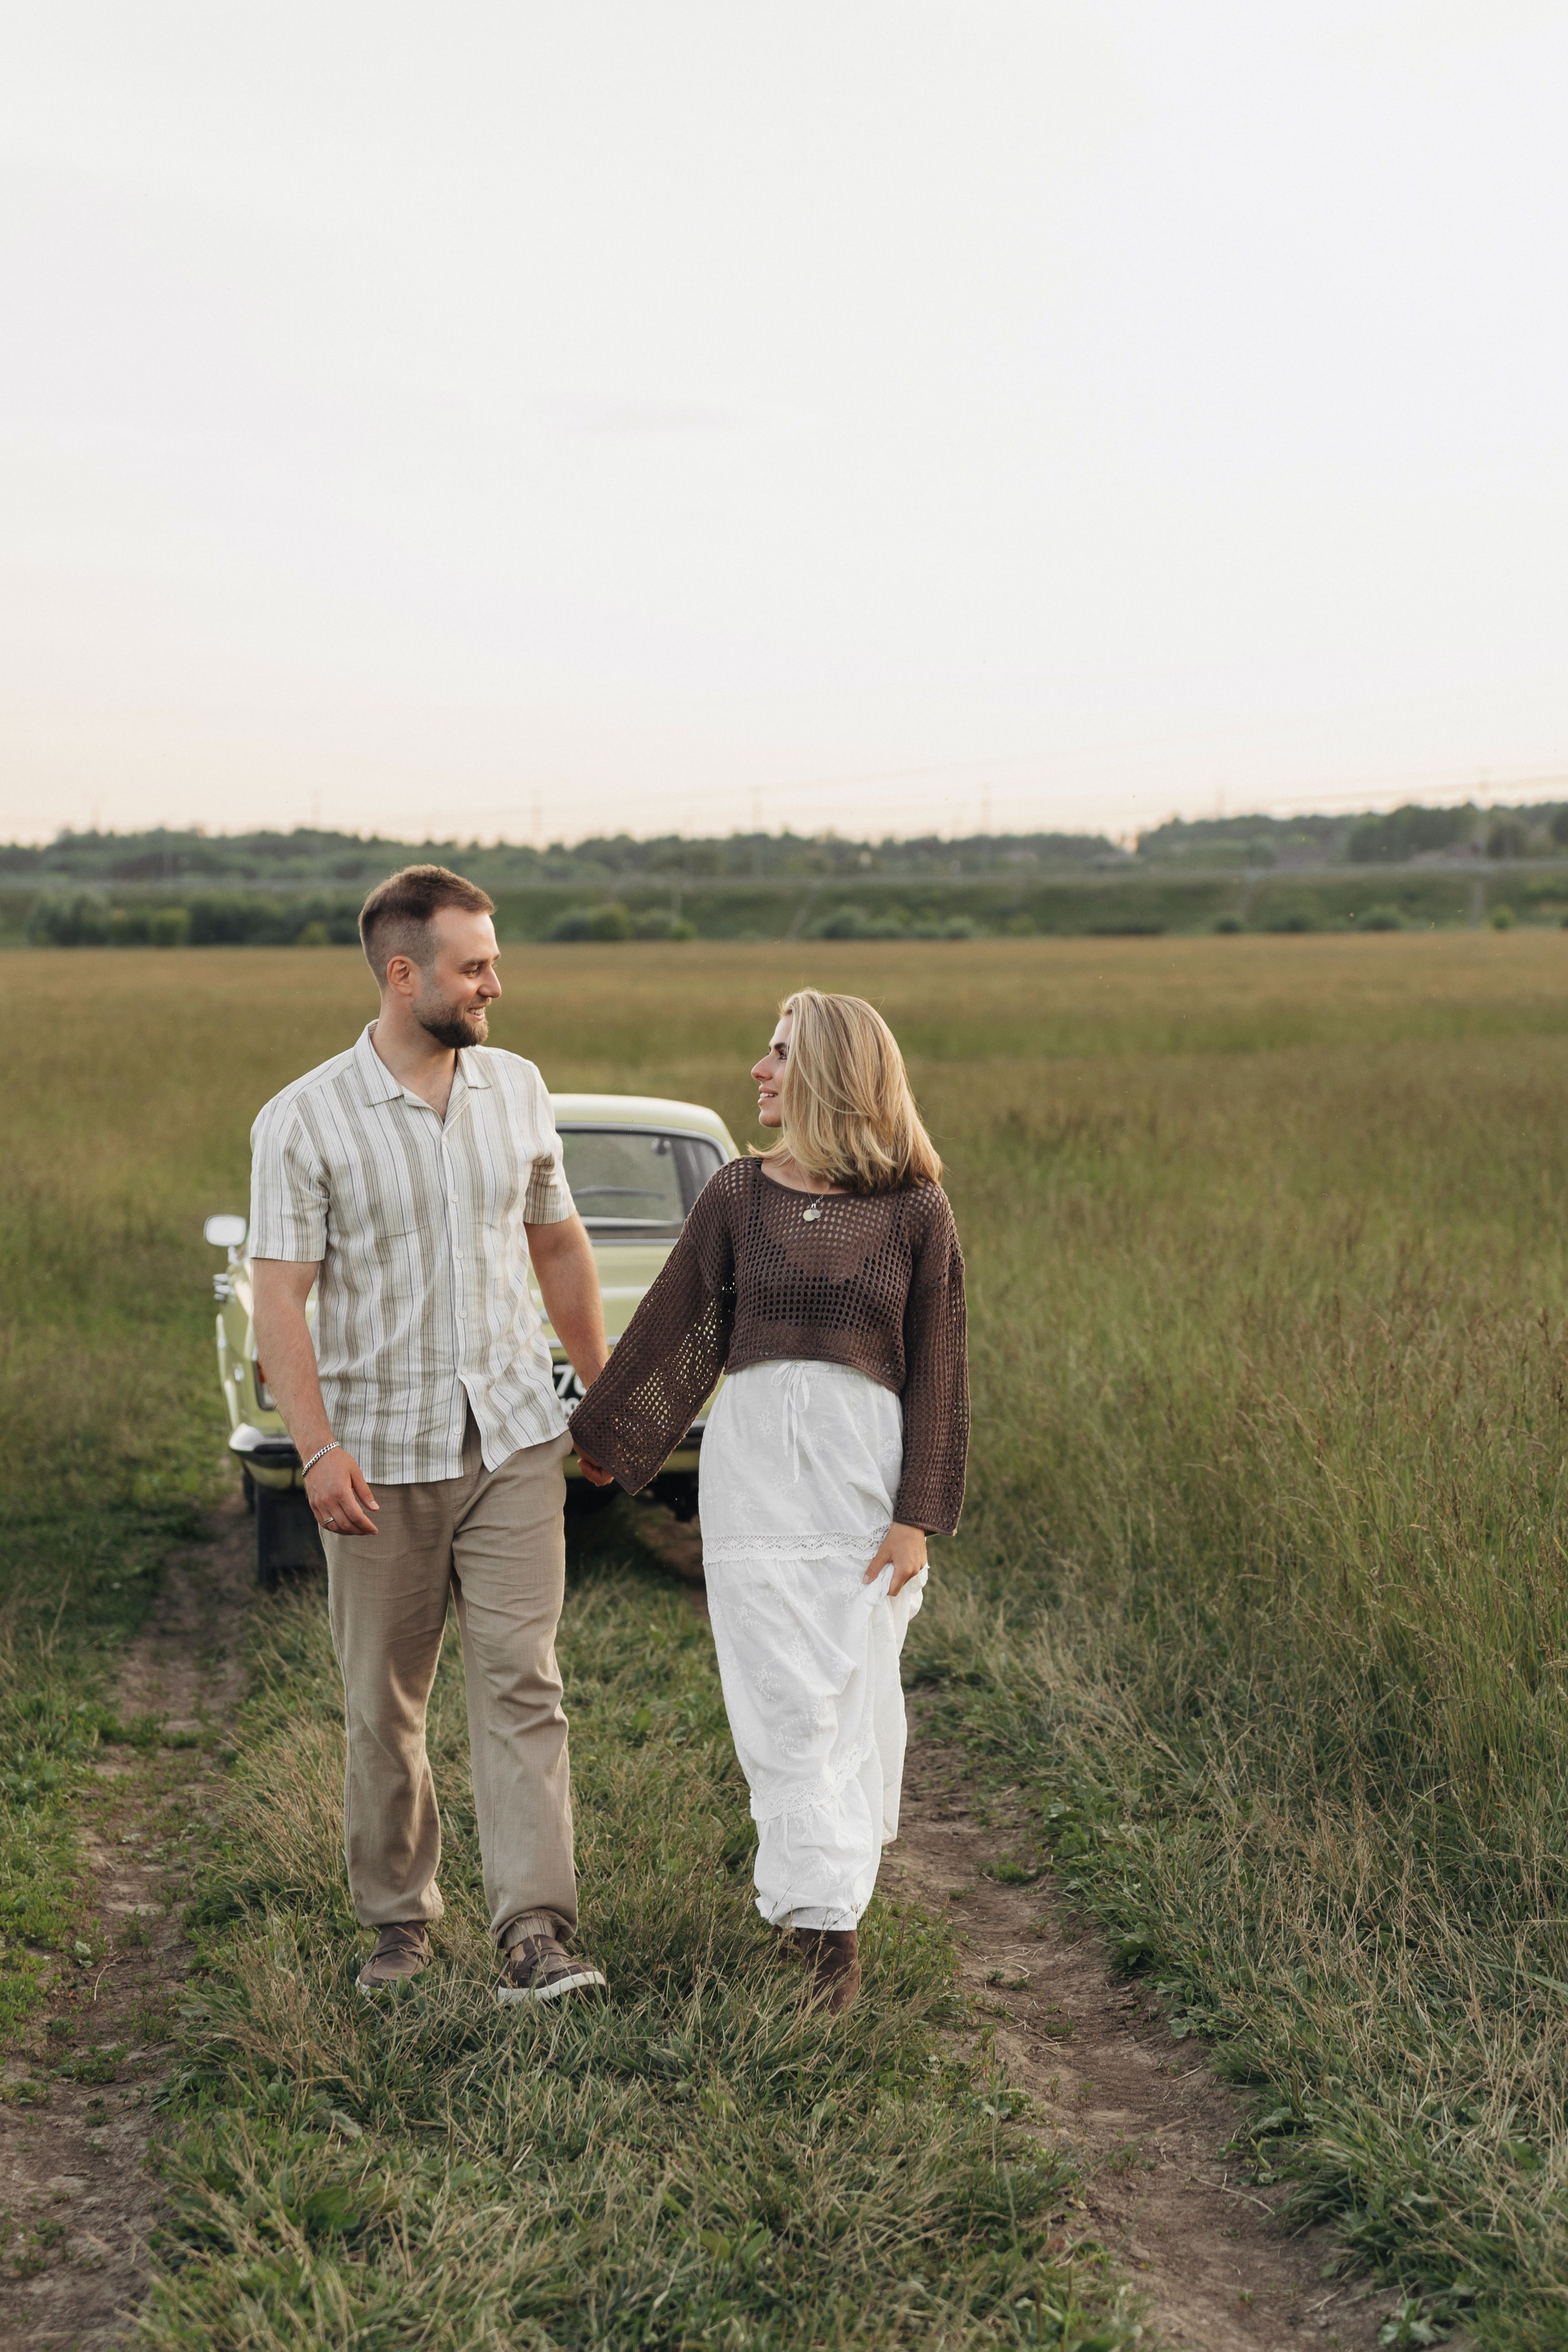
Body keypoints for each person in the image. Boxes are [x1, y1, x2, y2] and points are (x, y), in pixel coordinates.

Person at [248, 864, 611, 2004]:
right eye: (474, 966)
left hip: (513, 1438)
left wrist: (603, 1400)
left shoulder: (518, 1088)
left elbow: (559, 1247)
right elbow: (279, 1298)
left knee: (523, 1683)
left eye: (492, 961)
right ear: (404, 976)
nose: (496, 984)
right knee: (384, 1704)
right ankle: (400, 1926)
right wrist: (314, 1448)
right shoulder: (303, 1119)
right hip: (377, 1457)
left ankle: (535, 1933)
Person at [570, 989, 968, 2012]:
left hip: (859, 1495)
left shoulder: (915, 1212)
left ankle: (820, 1904)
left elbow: (940, 1374)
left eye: (779, 1053)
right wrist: (604, 1441)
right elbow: (671, 1331)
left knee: (846, 1707)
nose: (759, 1069)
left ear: (830, 1072)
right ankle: (826, 1946)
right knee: (783, 1716)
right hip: (752, 1494)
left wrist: (916, 1514)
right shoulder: (736, 1197)